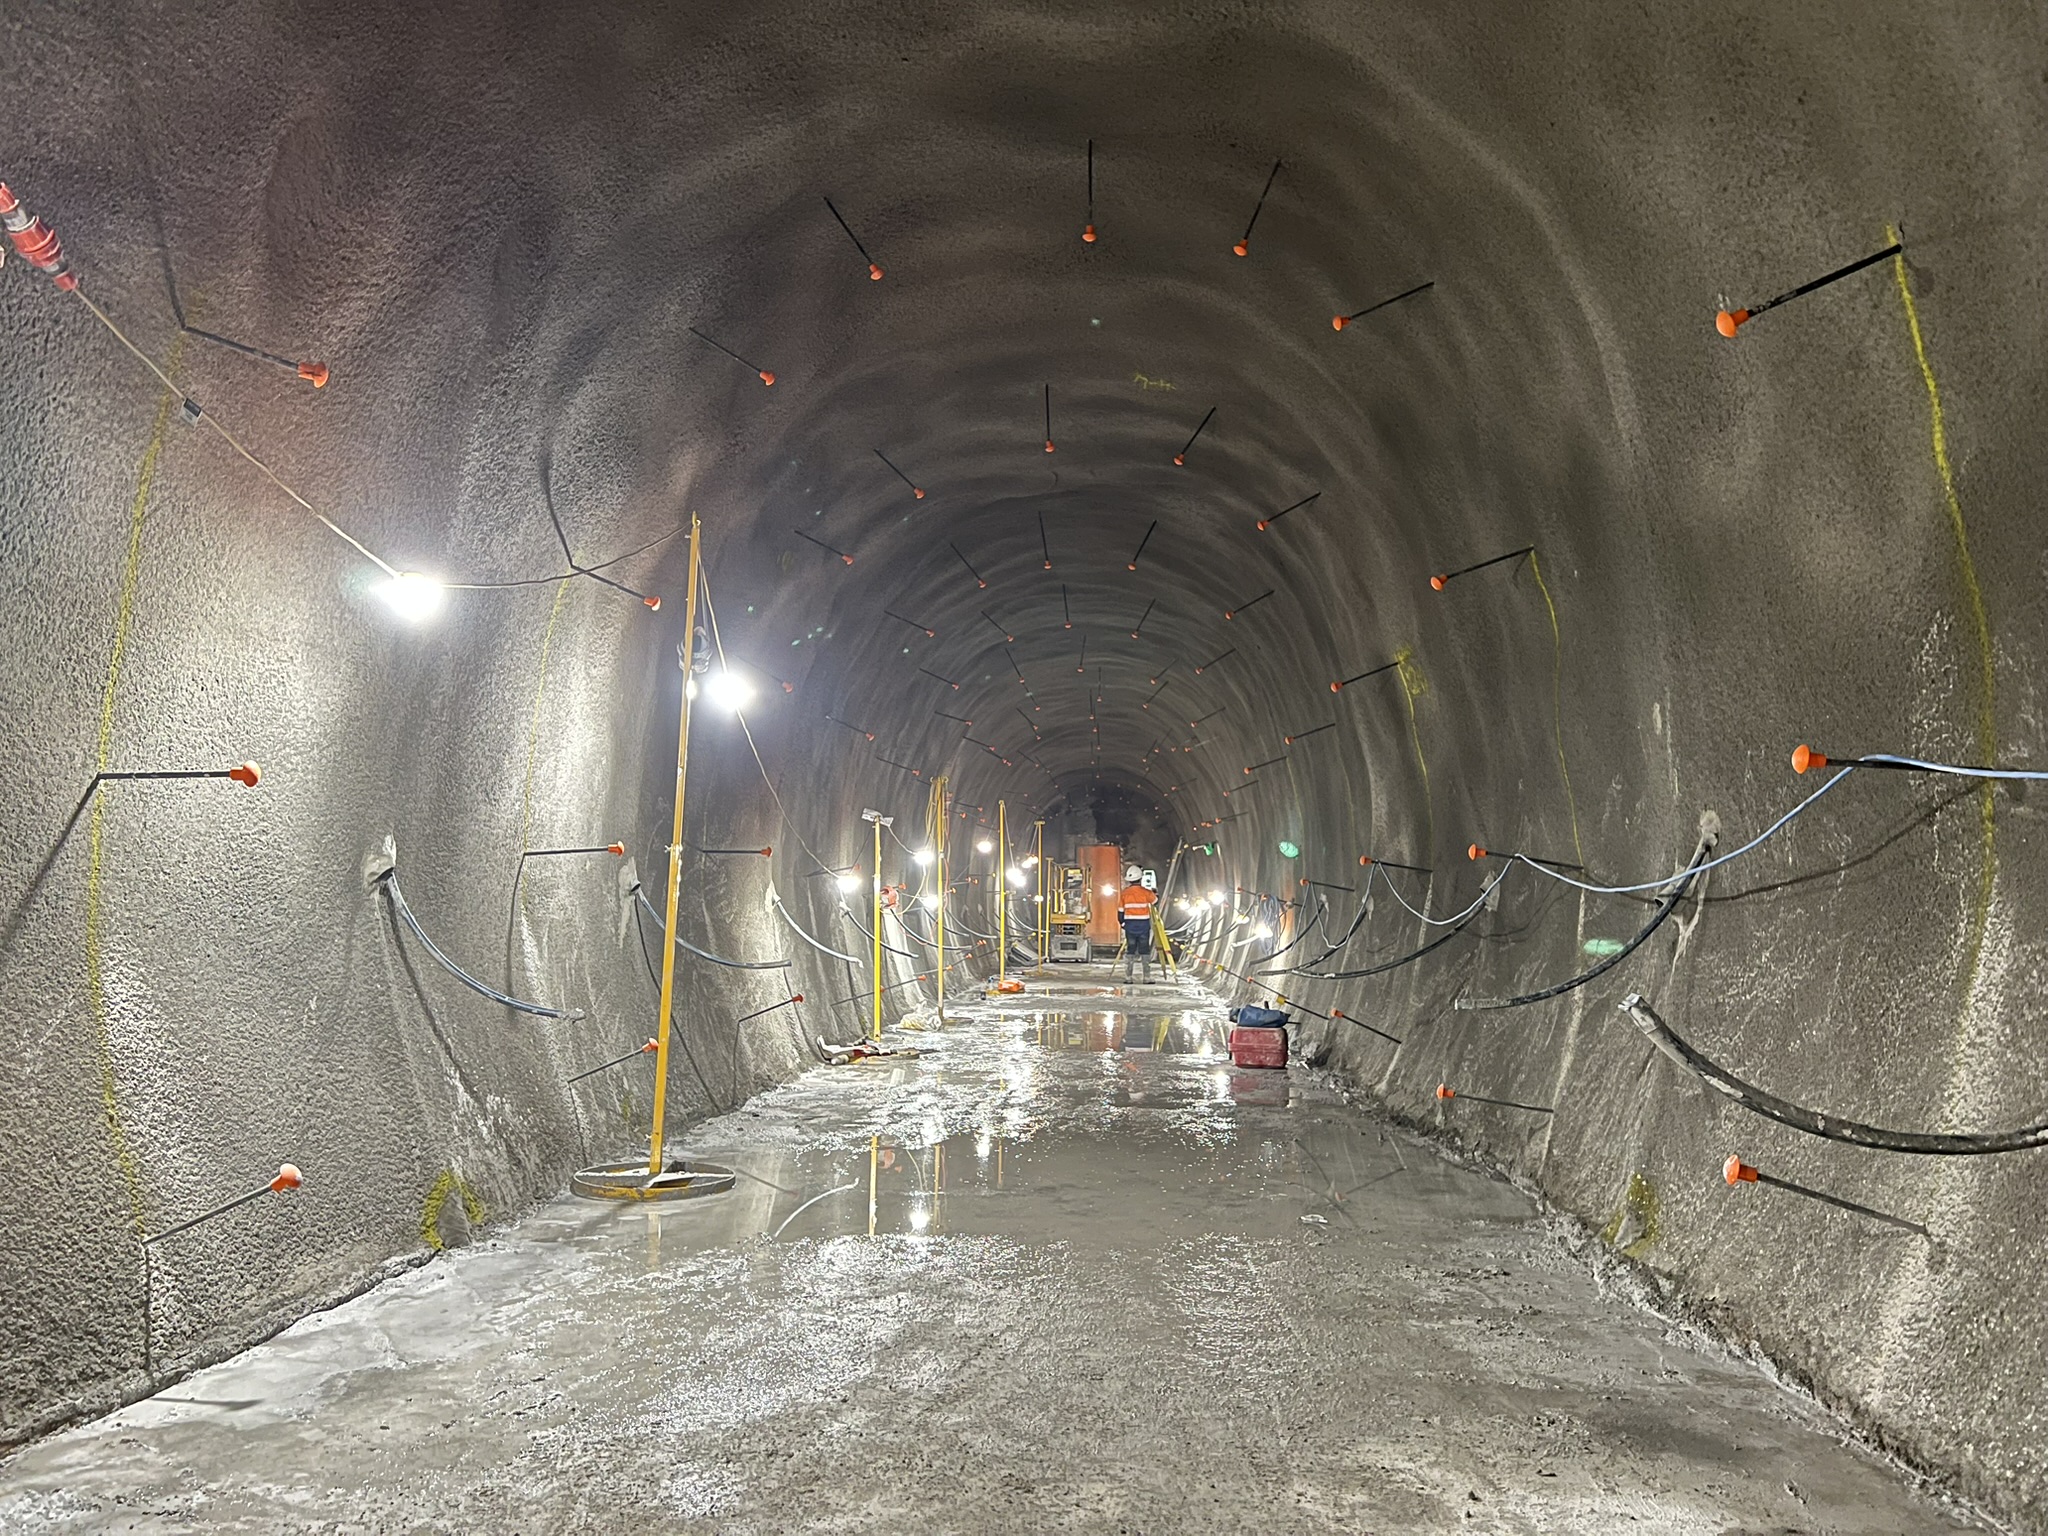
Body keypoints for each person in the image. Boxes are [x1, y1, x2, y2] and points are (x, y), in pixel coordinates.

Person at [1118, 867, 1157, 982]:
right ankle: (1146, 977)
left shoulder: (1124, 893)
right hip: (1143, 925)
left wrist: (1122, 923)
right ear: (1140, 878)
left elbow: (1120, 911)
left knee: (1130, 949)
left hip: (1130, 925)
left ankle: (1128, 977)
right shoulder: (1146, 892)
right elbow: (1155, 901)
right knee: (1144, 950)